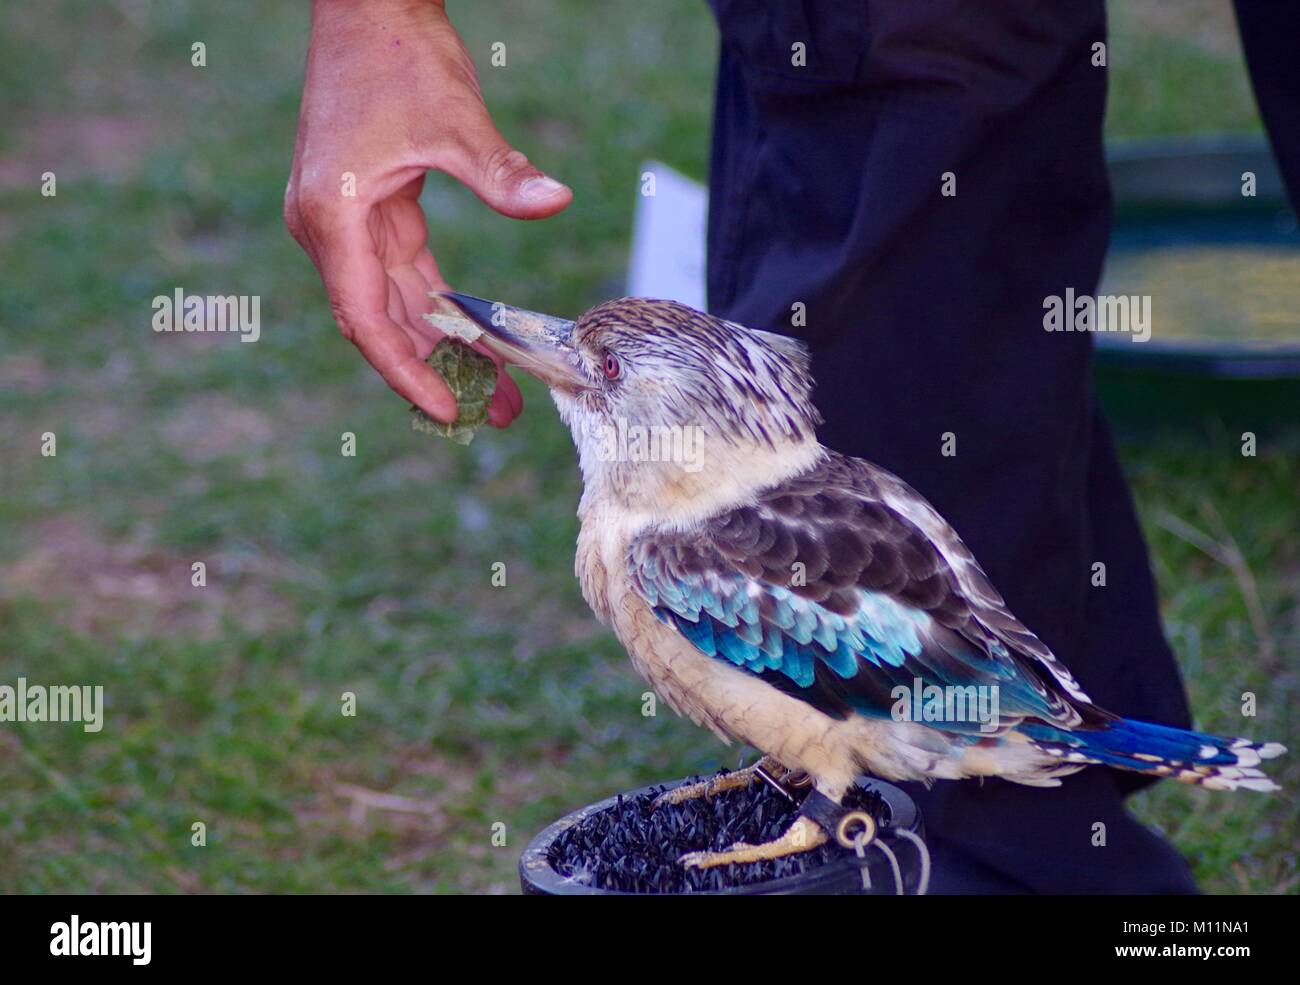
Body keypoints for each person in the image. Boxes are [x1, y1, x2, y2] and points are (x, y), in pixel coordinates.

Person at [284, 0, 1294, 892]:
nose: (544, 350)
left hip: (946, 714)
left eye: (605, 376)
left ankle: (849, 816)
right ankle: (986, 860)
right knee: (903, 147)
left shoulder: (671, 554)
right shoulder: (774, 500)